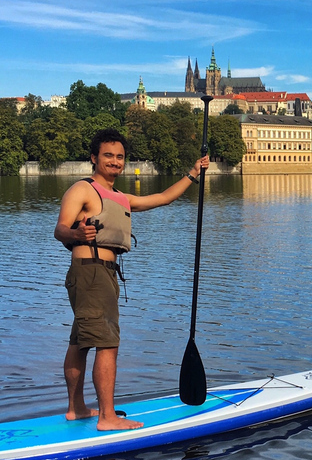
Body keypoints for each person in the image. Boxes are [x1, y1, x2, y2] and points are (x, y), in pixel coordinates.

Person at [54, 128, 209, 431]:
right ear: (94, 158)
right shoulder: (83, 189)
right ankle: (107, 417)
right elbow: (60, 229)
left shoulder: (120, 197)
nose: (114, 161)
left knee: (81, 341)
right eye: (108, 155)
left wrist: (193, 173)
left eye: (120, 157)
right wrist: (76, 233)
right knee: (106, 343)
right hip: (92, 272)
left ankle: (76, 409)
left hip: (102, 274)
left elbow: (163, 198)